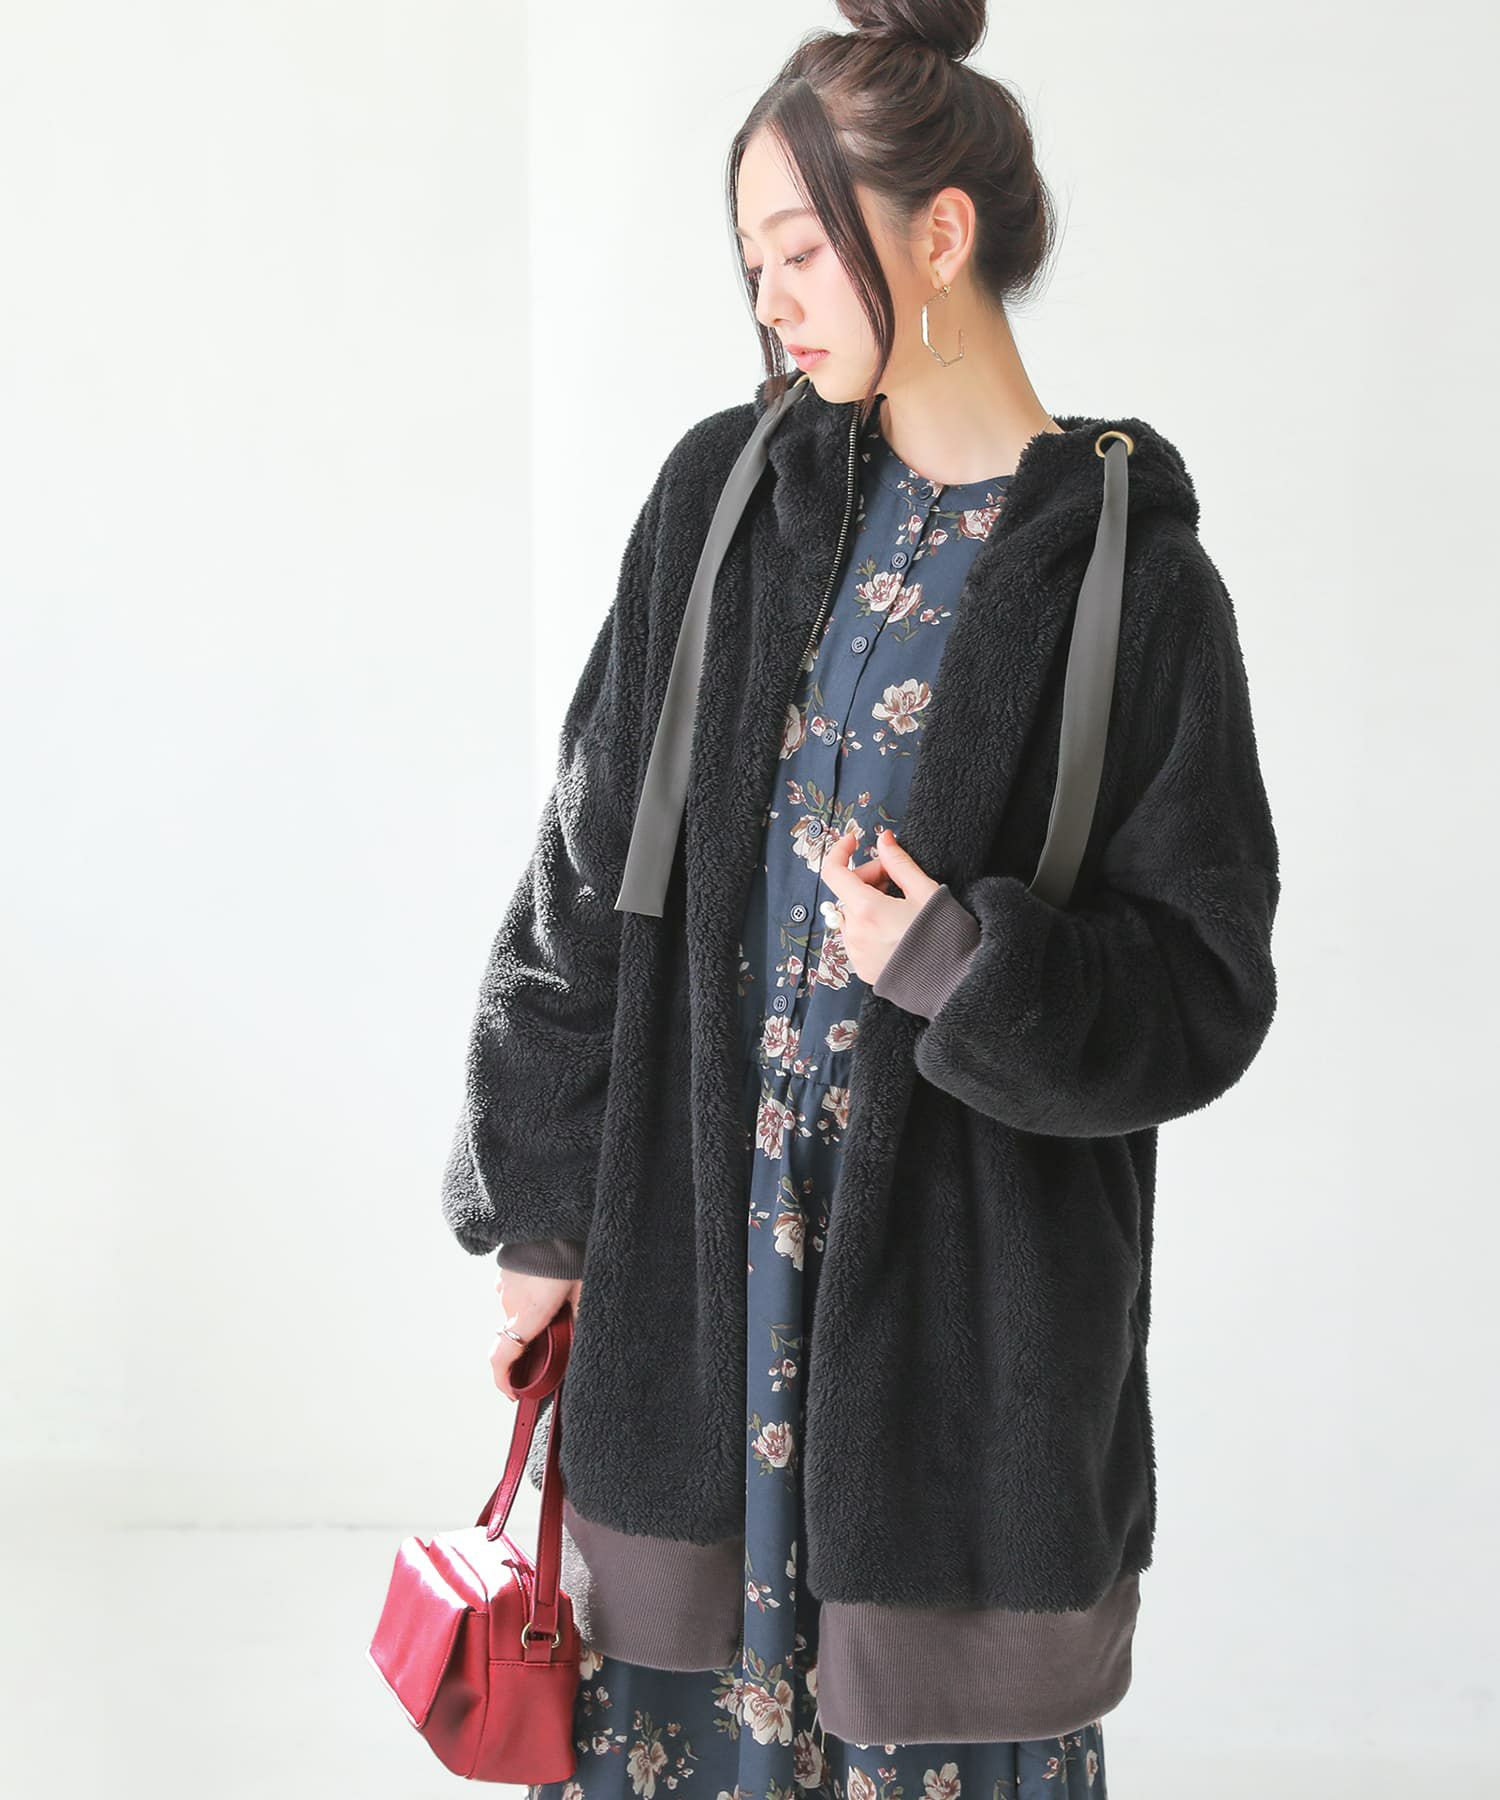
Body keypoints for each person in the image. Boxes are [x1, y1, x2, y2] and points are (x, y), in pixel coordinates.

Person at [444, 1, 1280, 1794]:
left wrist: (969, 966)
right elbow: (586, 874)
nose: (770, 300)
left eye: (801, 250)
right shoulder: (725, 500)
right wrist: (539, 1215)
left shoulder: (1132, 583)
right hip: (698, 1293)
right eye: (752, 260)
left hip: (962, 1360)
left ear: (941, 233)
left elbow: (1206, 986)